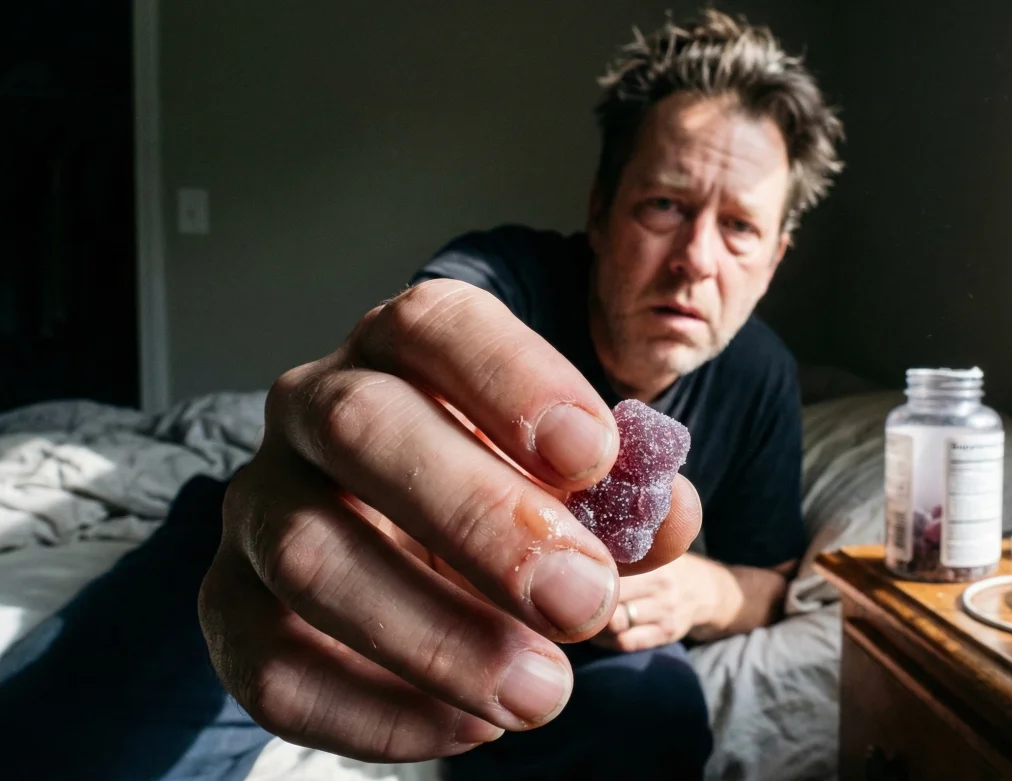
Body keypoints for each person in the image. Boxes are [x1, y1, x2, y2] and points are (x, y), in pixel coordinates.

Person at [0, 9, 843, 781]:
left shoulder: (761, 374)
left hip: (574, 632)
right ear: (599, 211)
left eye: (740, 227)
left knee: (654, 711)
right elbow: (421, 346)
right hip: (345, 539)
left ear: (776, 256)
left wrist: (704, 591)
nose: (697, 258)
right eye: (663, 204)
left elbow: (772, 580)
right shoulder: (506, 277)